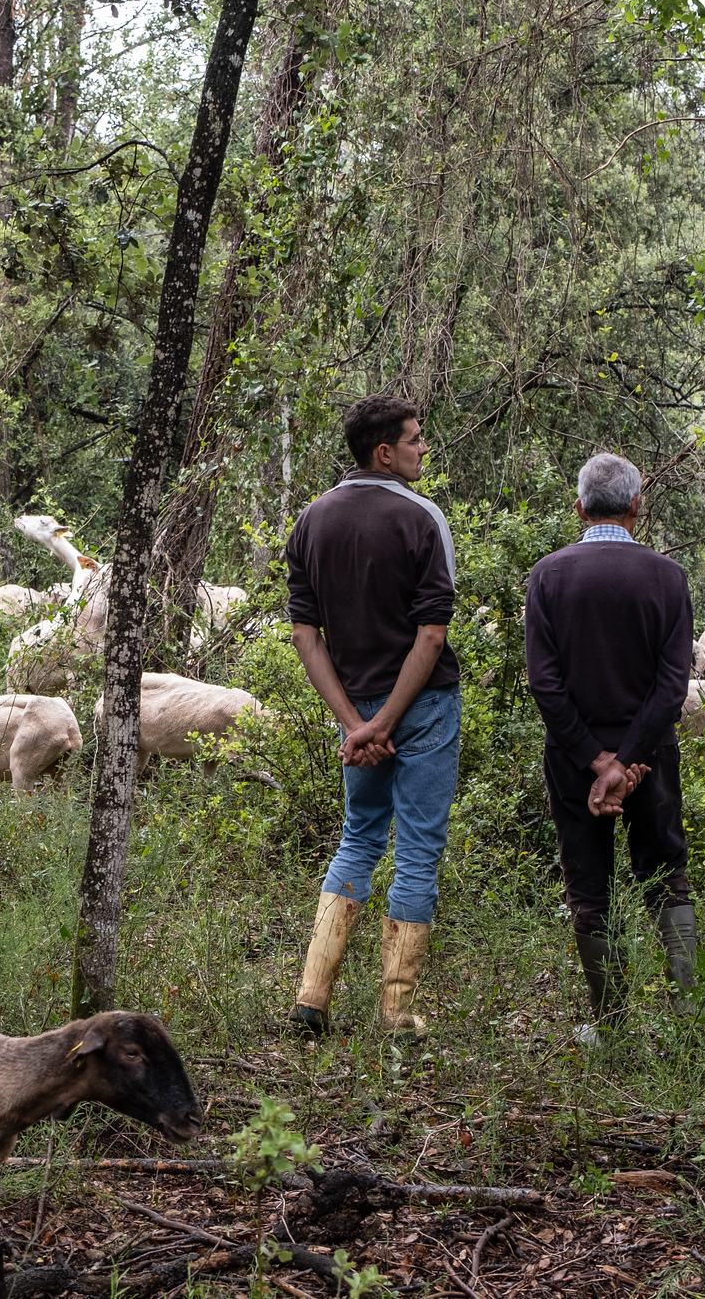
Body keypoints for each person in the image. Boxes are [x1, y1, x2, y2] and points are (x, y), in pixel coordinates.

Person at [283, 394, 462, 1040]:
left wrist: (356, 723)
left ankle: (312, 994)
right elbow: (432, 635)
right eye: (415, 439)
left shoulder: (310, 520)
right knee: (417, 847)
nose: (422, 448)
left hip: (354, 708)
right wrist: (387, 721)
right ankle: (395, 1011)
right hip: (423, 707)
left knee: (358, 834)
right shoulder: (423, 518)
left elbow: (307, 635)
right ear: (384, 451)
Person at [523, 453, 697, 1028]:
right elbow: (673, 685)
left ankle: (610, 1022)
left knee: (589, 890)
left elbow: (544, 684)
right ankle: (687, 1014)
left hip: (574, 763)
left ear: (579, 508)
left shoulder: (548, 576)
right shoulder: (668, 578)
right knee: (666, 875)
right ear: (636, 506)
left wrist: (596, 761)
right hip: (651, 759)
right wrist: (627, 761)